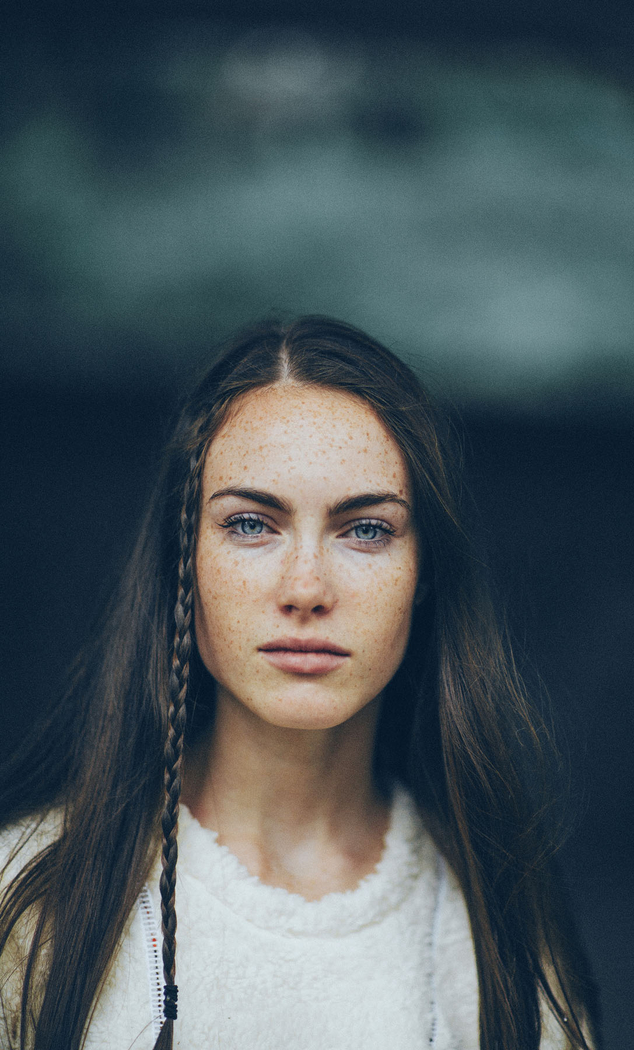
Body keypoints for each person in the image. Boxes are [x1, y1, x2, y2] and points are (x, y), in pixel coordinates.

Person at [0, 316, 597, 1050]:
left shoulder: (499, 928)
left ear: (425, 575)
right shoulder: (32, 898)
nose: (306, 587)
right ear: (180, 563)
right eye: (251, 524)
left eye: (366, 529)